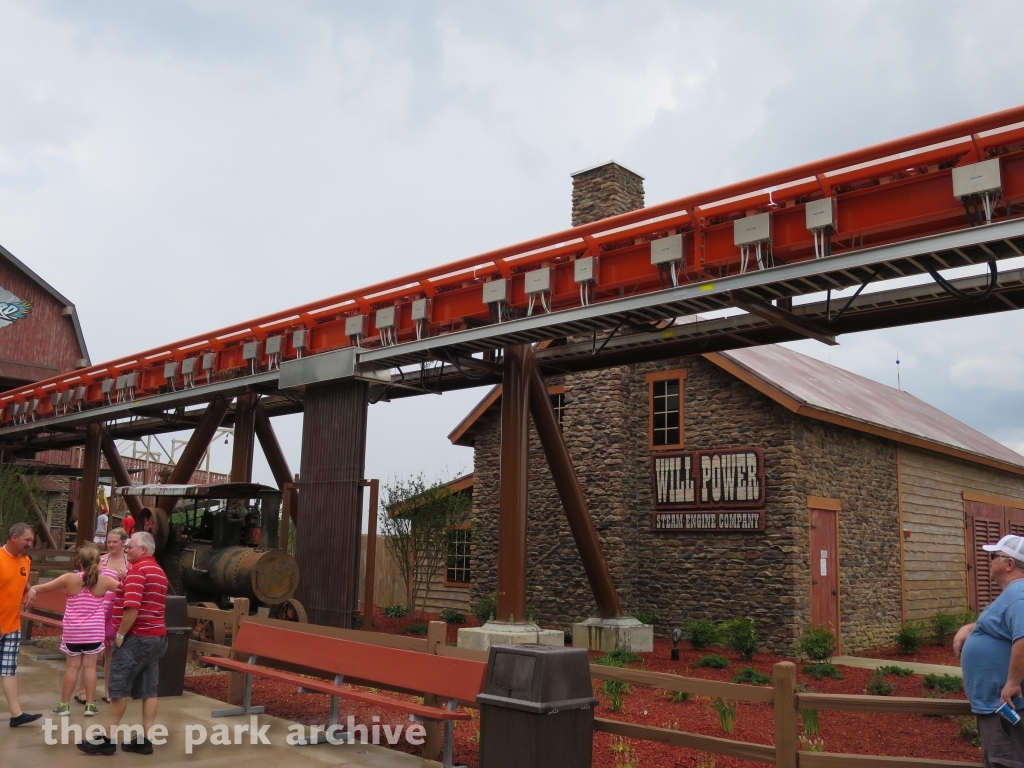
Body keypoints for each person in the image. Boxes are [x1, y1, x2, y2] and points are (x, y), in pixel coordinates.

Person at [78, 532, 168, 756]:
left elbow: (132, 608)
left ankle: (107, 739)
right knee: (150, 690)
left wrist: (120, 635)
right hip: (156, 637)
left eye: (130, 547)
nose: (127, 550)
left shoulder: (139, 571)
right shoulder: (159, 571)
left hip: (136, 637)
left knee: (118, 688)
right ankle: (145, 739)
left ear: (143, 550)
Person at [954, 533, 1024, 767]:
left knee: (1007, 761)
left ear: (1009, 564)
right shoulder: (1014, 596)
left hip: (1008, 703)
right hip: (996, 705)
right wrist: (971, 628)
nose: (989, 560)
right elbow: (1005, 626)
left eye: (993, 556)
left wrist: (1013, 682)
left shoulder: (1018, 595)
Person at [26, 544, 118, 717]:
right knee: (90, 667)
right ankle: (90, 705)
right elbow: (126, 591)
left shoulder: (70, 578)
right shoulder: (104, 581)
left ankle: (64, 705)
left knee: (72, 668)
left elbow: (44, 588)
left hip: (73, 631)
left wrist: (32, 590)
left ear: (80, 562)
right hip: (94, 632)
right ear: (99, 563)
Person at [75, 529, 129, 705]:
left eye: (115, 542)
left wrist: (125, 578)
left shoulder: (128, 563)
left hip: (116, 611)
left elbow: (131, 586)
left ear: (123, 543)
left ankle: (108, 690)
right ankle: (82, 690)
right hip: (98, 610)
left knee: (111, 654)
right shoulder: (101, 560)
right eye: (109, 541)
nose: (111, 544)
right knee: (92, 653)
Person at [0, 522, 41, 726]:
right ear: (13, 537)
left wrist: (31, 590)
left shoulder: (25, 560)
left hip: (12, 624)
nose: (30, 543)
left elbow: (22, 583)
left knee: (9, 670)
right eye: (27, 539)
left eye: (31, 540)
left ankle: (16, 715)